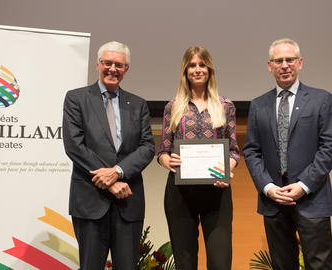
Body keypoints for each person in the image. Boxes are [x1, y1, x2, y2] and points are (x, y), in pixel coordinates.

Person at [62, 41, 155, 270]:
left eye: (119, 65)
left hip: (128, 203)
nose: (113, 68)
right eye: (107, 63)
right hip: (90, 200)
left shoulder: (138, 104)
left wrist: (117, 172)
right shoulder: (76, 99)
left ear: (126, 69)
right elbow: (74, 145)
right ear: (97, 64)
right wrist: (110, 182)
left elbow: (147, 147)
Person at [243, 38, 332, 270]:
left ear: (300, 63)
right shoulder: (258, 105)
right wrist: (268, 188)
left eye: (290, 59)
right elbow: (251, 151)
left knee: (320, 265)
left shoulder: (321, 99)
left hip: (312, 198)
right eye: (278, 60)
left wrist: (303, 185)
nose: (285, 65)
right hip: (274, 202)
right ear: (269, 66)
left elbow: (328, 147)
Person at [158, 46, 240, 270]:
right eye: (192, 65)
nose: (197, 70)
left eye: (202, 65)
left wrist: (227, 169)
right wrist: (167, 161)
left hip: (217, 189)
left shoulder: (226, 106)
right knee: (185, 263)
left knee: (220, 262)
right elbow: (162, 151)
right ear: (185, 71)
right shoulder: (172, 107)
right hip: (180, 192)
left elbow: (234, 150)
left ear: (210, 69)